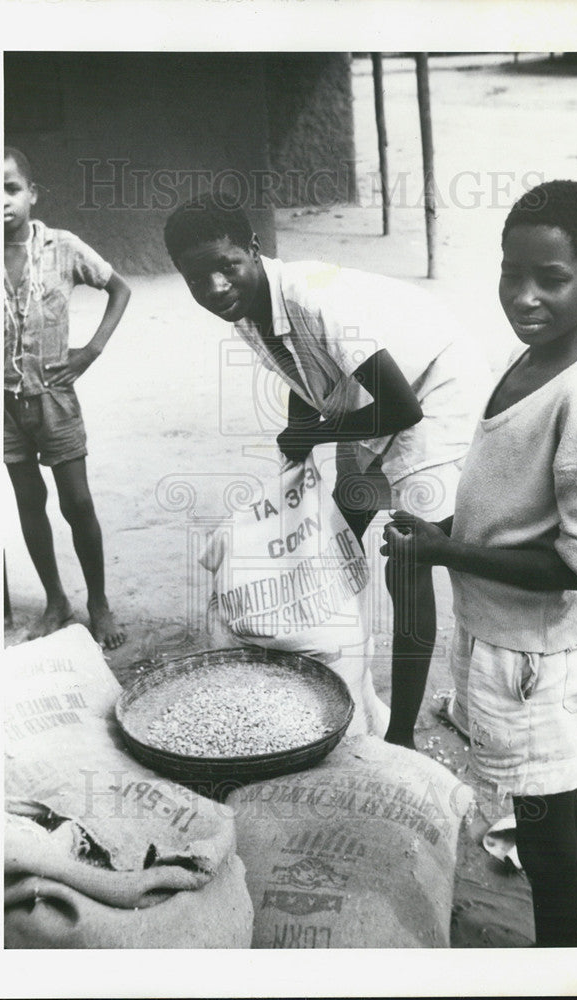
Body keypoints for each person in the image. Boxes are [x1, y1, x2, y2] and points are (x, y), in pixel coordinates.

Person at [163, 193, 490, 748]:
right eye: (198, 279)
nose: (216, 286)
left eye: (226, 266)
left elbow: (404, 410)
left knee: (407, 555)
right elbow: (304, 375)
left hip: (435, 387)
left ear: (254, 248)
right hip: (369, 395)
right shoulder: (246, 303)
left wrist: (313, 434)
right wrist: (296, 463)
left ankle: (402, 735)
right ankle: (339, 675)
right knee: (335, 529)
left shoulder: (313, 298)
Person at [382, 180, 577, 947]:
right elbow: (511, 504)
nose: (525, 296)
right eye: (512, 273)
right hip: (496, 630)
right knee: (544, 796)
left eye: (553, 278)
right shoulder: (526, 358)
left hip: (532, 651)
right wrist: (441, 528)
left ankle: (566, 953)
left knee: (542, 822)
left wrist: (444, 551)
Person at [4, 146, 130, 649]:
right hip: (1, 404)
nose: (0, 201)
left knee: (76, 501)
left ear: (32, 194)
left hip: (55, 396)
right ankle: (56, 600)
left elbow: (118, 288)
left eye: (11, 188)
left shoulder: (62, 248)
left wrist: (91, 351)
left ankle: (98, 603)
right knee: (28, 499)